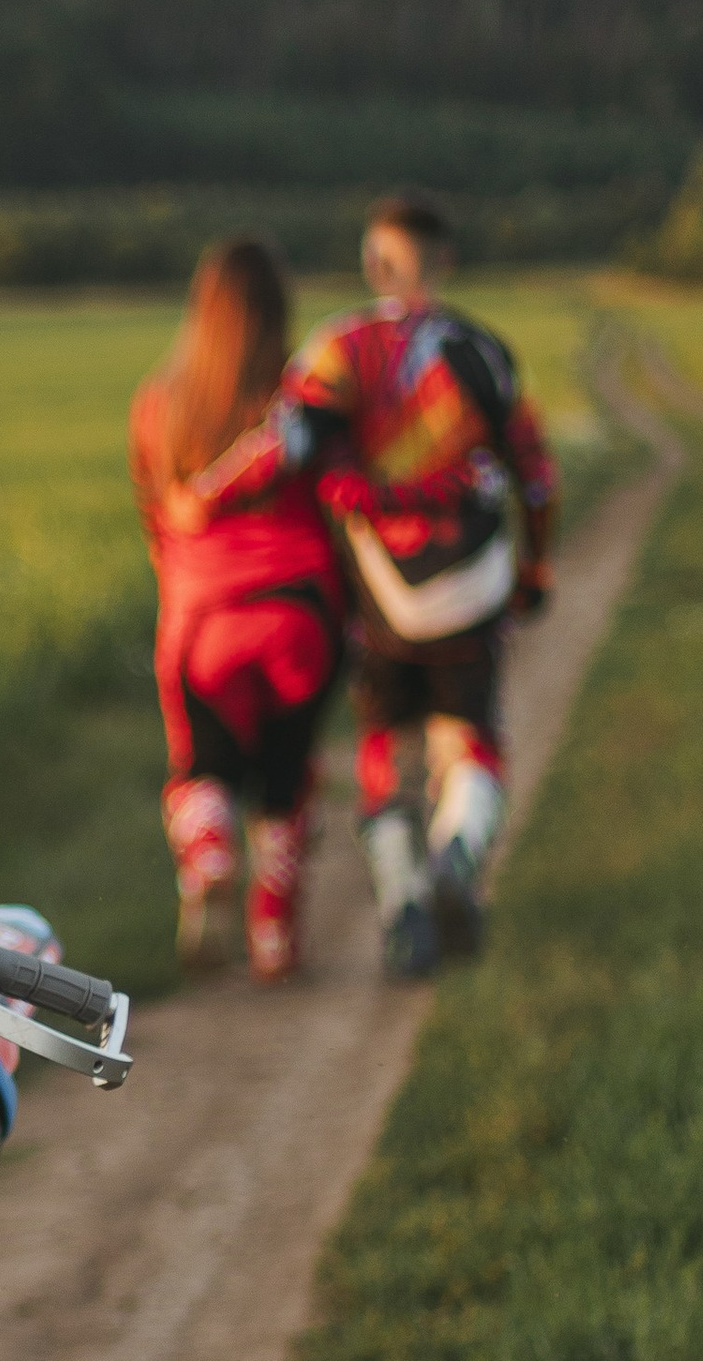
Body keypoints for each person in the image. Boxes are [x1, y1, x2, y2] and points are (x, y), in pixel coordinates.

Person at [199, 188, 557, 979]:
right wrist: (535, 566)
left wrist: (204, 497)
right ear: (445, 260)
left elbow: (284, 444)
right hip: (474, 585)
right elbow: (535, 478)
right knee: (471, 740)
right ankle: (458, 856)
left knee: (382, 755)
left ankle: (401, 902)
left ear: (374, 260)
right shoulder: (485, 351)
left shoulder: (342, 347)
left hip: (381, 596)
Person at [129, 236, 344, 980]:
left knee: (204, 766)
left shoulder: (160, 404)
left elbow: (156, 526)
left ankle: (209, 850)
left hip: (203, 620)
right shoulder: (298, 403)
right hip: (299, 614)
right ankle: (275, 937)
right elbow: (335, 506)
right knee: (286, 778)